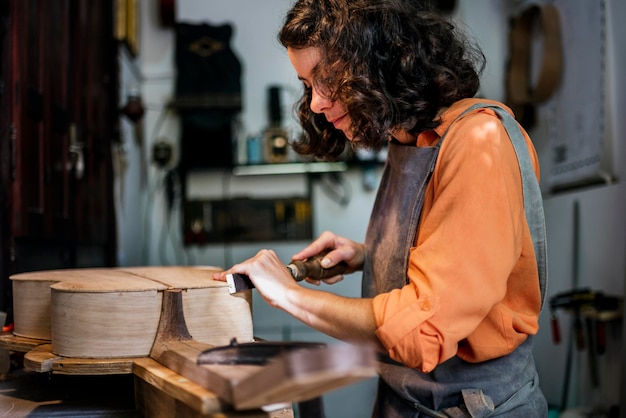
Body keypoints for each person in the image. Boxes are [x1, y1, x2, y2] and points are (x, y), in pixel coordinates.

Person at [213, 0, 549, 416]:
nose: (316, 103)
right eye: (306, 84)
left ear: (381, 62)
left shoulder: (479, 141)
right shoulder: (407, 139)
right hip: (405, 402)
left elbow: (424, 328)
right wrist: (370, 257)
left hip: (470, 408)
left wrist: (289, 294)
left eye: (327, 79)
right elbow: (461, 261)